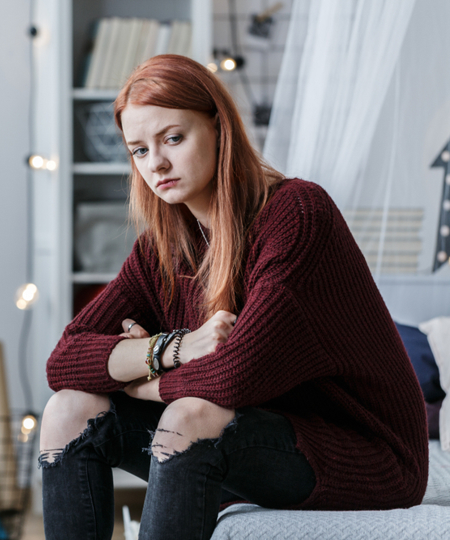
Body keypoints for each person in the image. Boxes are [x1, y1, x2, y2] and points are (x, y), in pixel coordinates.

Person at [38, 55, 428, 540]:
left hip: (366, 455)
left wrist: (138, 380)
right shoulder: (164, 247)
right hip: (260, 436)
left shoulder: (298, 214)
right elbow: (64, 360)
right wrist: (171, 349)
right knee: (69, 410)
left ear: (219, 128)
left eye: (173, 138)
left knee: (189, 415)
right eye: (138, 150)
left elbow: (233, 376)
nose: (156, 163)